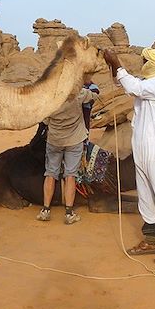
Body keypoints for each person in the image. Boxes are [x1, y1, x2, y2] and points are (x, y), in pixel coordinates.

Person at [102, 47, 155, 264]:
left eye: (144, 59)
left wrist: (117, 61)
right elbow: (130, 87)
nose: (141, 61)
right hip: (143, 146)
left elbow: (134, 87)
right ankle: (151, 240)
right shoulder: (148, 83)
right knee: (146, 193)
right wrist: (114, 66)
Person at [36, 84, 99, 224]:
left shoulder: (50, 97)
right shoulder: (78, 92)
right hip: (74, 140)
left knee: (50, 173)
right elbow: (93, 96)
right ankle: (69, 213)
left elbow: (45, 120)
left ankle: (45, 210)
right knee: (71, 175)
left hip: (54, 141)